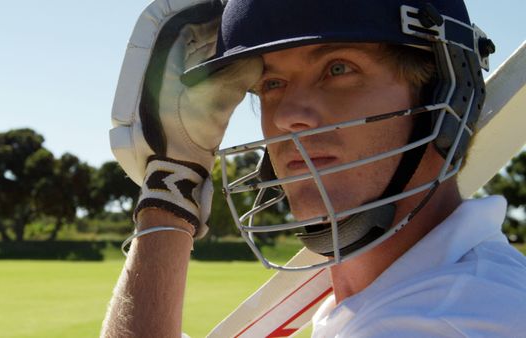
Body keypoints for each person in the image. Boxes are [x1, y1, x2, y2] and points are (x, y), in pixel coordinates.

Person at [103, 0, 526, 336]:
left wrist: (166, 197)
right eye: (272, 84)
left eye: (338, 69)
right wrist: (174, 181)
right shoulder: (399, 300)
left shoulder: (452, 319)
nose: (287, 115)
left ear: (449, 94)